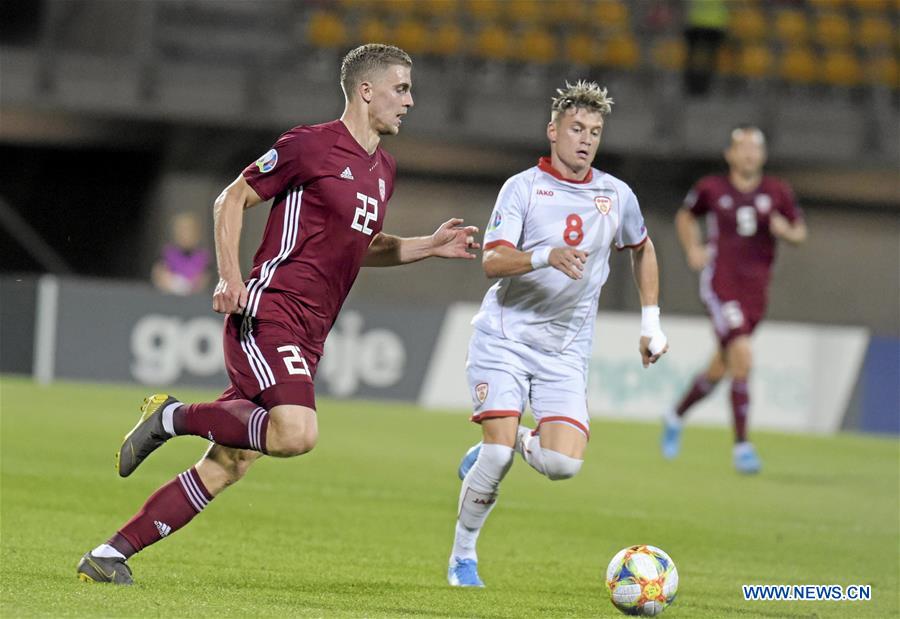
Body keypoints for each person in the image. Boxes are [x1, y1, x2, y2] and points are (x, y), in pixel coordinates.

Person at [76, 43, 480, 585]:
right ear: (366, 91)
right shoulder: (309, 145)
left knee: (229, 464)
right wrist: (230, 276)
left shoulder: (384, 169)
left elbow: (363, 244)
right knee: (296, 433)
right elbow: (230, 199)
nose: (409, 101)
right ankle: (171, 417)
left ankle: (108, 555)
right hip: (270, 311)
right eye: (401, 88)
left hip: (311, 334)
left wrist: (427, 245)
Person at [446, 81, 669, 588]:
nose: (585, 139)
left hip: (565, 350)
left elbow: (642, 248)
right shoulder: (522, 188)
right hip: (505, 337)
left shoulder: (616, 194)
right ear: (553, 130)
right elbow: (492, 260)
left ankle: (511, 441)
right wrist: (546, 255)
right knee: (496, 456)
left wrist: (650, 324)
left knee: (562, 464)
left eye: (594, 131)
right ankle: (463, 556)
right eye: (576, 128)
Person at [661, 125, 807, 474]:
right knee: (742, 353)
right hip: (721, 284)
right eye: (743, 147)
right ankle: (742, 447)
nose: (749, 154)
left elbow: (800, 231)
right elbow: (685, 216)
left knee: (720, 368)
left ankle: (675, 415)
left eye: (755, 148)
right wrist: (693, 247)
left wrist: (786, 231)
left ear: (763, 155)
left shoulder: (777, 191)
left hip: (756, 291)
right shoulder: (712, 188)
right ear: (730, 154)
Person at [151, 211, 212, 295]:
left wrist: (192, 286)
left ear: (197, 234)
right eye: (181, 230)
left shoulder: (204, 257)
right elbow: (158, 274)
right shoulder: (166, 253)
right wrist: (169, 282)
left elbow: (204, 279)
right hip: (170, 297)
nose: (185, 235)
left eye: (189, 230)